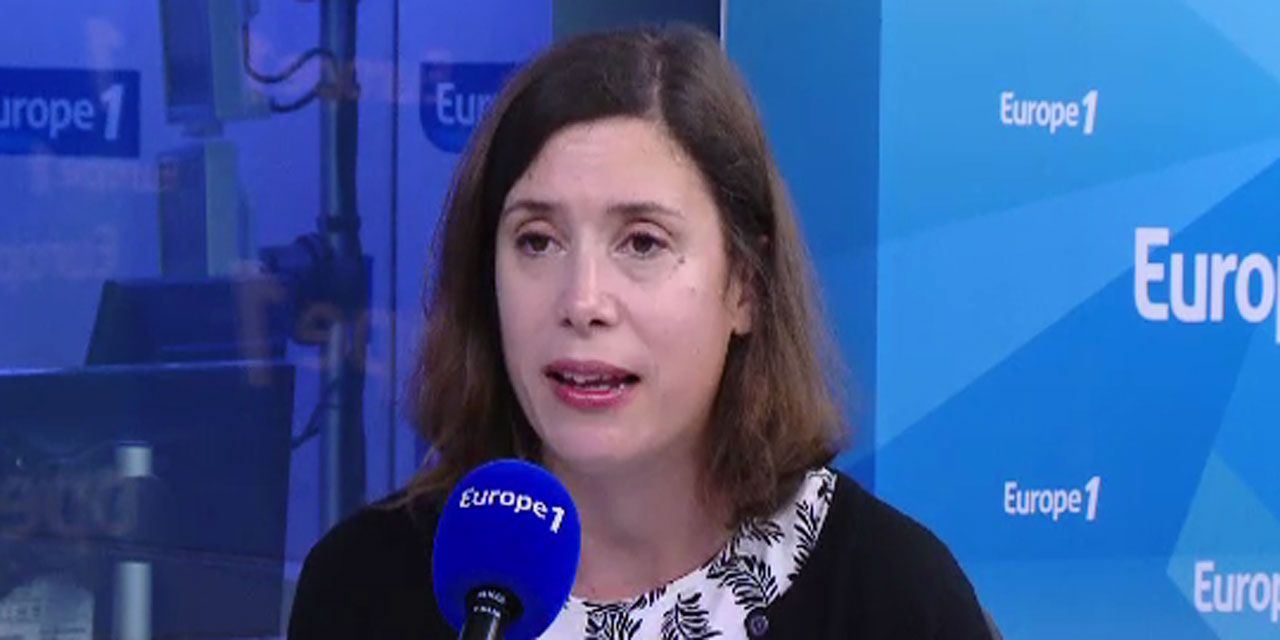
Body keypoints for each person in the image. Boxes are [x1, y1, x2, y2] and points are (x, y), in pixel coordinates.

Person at [288, 26, 996, 639]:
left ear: (745, 286)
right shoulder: (365, 586)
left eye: (643, 242)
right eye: (537, 241)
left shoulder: (892, 599)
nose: (582, 302)